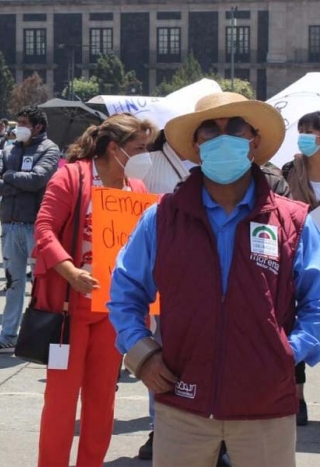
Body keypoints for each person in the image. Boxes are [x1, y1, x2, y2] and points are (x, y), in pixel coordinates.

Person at [109, 92, 320, 467]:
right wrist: (141, 355)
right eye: (210, 129)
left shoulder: (293, 222)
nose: (223, 137)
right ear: (196, 145)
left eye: (235, 128)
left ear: (254, 141)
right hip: (181, 406)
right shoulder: (162, 219)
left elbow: (317, 302)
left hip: (265, 410)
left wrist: (289, 352)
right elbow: (125, 292)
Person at [34, 114, 156, 466]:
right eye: (140, 148)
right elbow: (44, 229)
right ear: (115, 148)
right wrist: (69, 270)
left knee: (103, 401)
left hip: (113, 313)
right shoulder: (71, 177)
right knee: (61, 400)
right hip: (68, 312)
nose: (145, 155)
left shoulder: (138, 191)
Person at [0, 106, 60, 354]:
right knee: (13, 284)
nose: (19, 127)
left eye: (24, 123)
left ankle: (39, 337)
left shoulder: (49, 149)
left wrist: (10, 177)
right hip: (9, 224)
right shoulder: (9, 150)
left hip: (35, 226)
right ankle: (8, 336)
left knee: (41, 285)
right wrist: (18, 181)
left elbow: (38, 180)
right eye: (18, 122)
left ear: (38, 126)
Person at [281, 110, 320, 427]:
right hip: (301, 255)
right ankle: (297, 397)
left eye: (312, 130)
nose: (306, 135)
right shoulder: (289, 170)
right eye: (302, 129)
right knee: (293, 319)